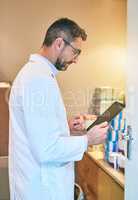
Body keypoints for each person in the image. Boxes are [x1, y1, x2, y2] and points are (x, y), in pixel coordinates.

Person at [9, 18, 109, 200]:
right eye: (76, 52)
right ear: (59, 43)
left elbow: (39, 130)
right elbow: (47, 149)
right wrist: (88, 139)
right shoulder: (38, 80)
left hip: (36, 185)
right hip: (42, 189)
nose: (76, 60)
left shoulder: (37, 74)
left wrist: (65, 127)